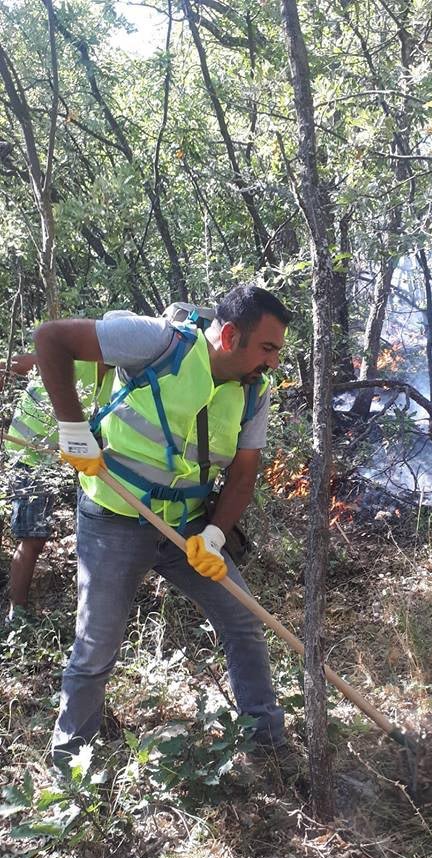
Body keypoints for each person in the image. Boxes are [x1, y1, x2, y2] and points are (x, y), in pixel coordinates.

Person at [34, 285, 291, 766]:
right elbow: (50, 339)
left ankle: (267, 742)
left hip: (189, 531)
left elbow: (242, 474)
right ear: (231, 335)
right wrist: (72, 428)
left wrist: (213, 537)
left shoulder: (255, 391)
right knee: (96, 647)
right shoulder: (156, 342)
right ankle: (71, 761)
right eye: (267, 348)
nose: (272, 362)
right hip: (114, 518)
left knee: (244, 622)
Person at [2, 354, 112, 623]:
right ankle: (17, 613)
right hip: (27, 455)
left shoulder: (116, 378)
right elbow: (9, 365)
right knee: (33, 538)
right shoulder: (70, 356)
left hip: (61, 458)